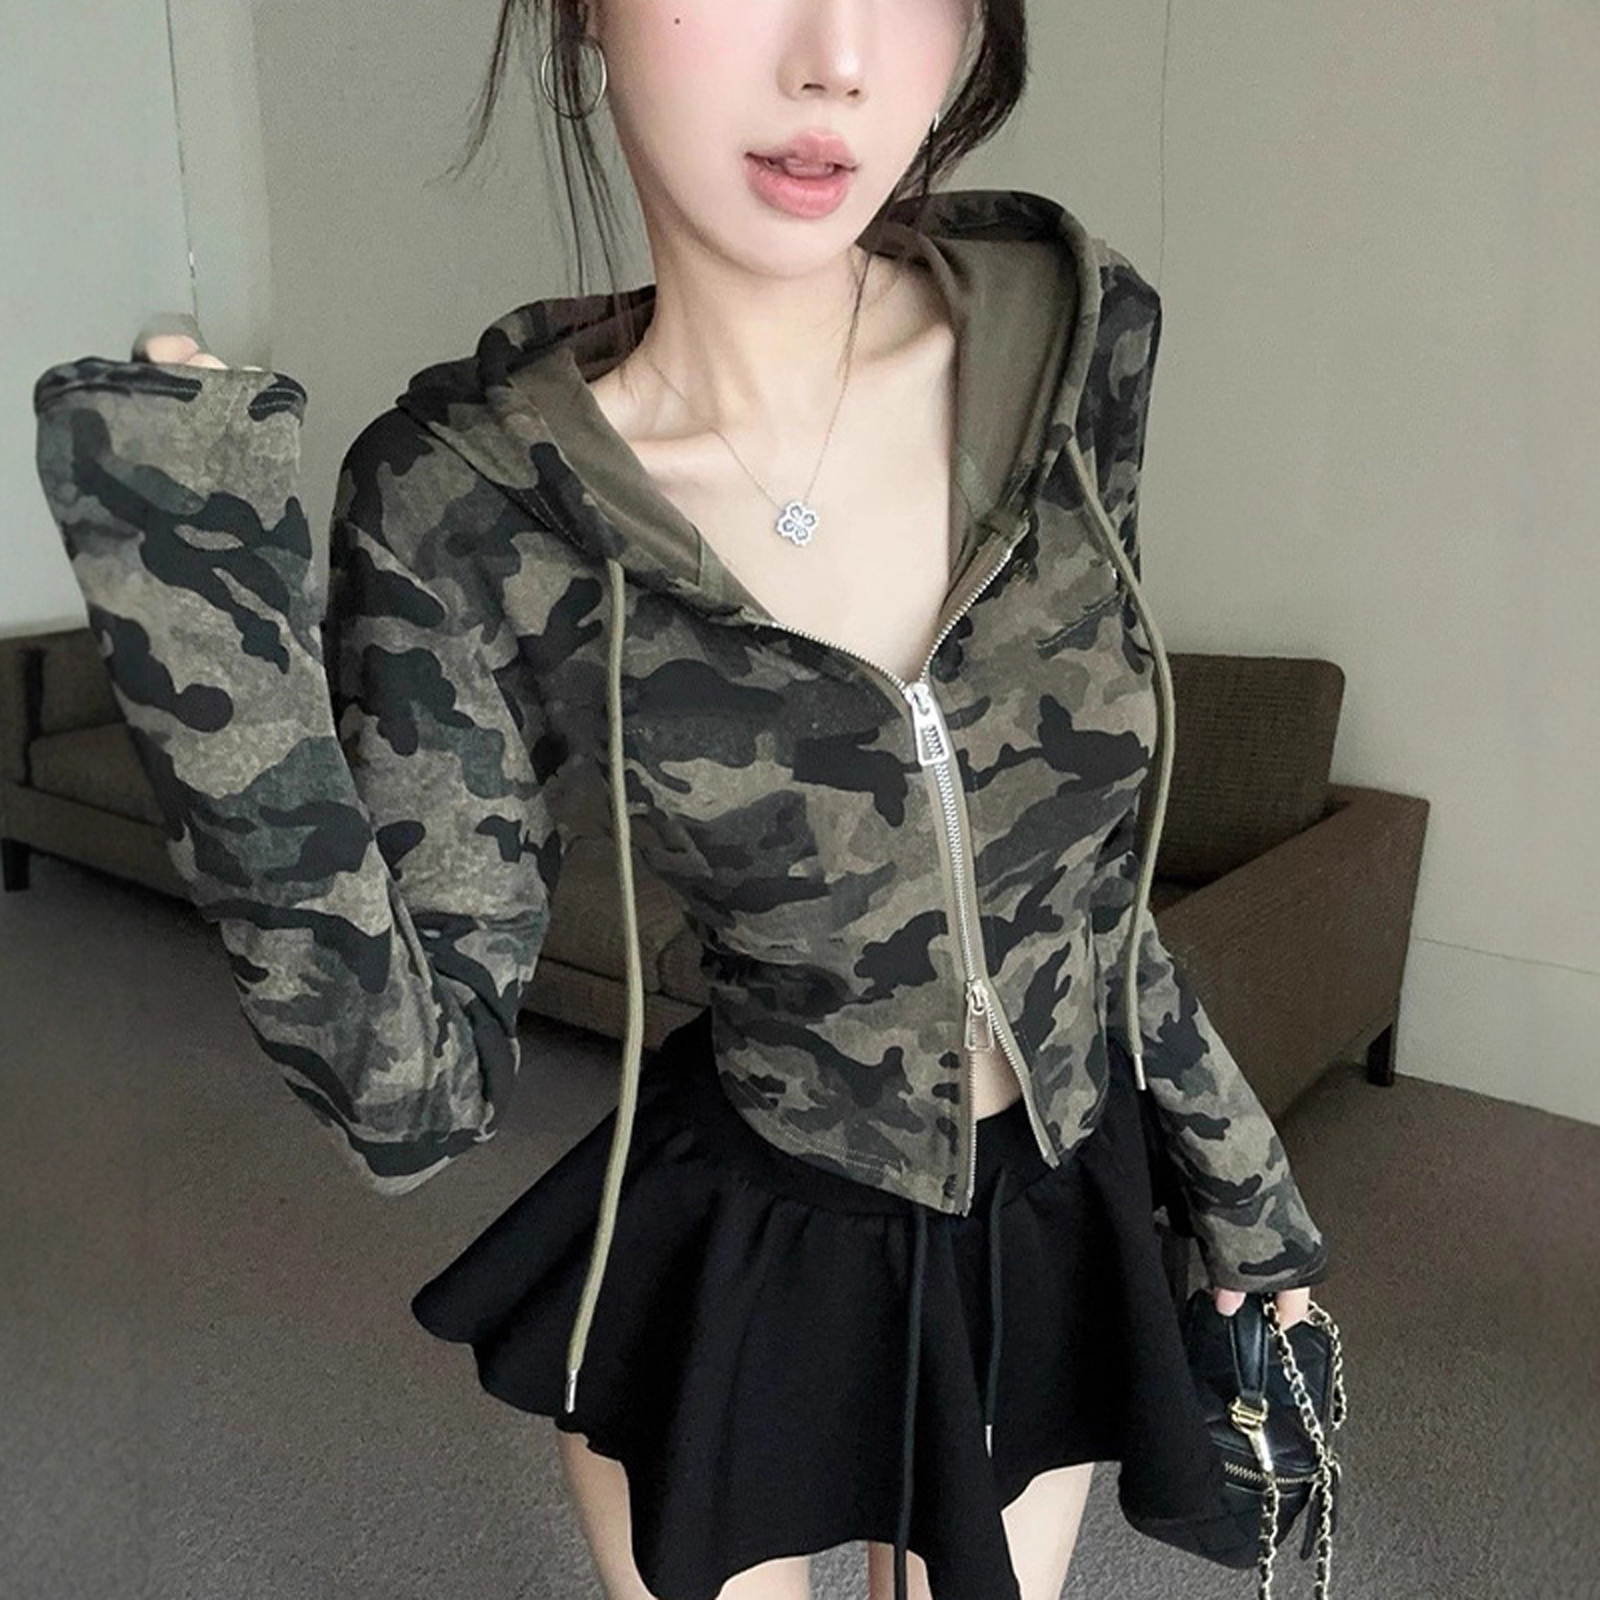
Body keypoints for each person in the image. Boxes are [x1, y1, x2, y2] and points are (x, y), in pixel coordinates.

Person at [32, 2, 1331, 1597]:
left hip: (1049, 1217)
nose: (836, 54)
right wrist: (196, 608)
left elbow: (1094, 893)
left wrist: (1251, 1199)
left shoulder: (1076, 341)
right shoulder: (464, 506)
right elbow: (407, 1096)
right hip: (754, 1244)